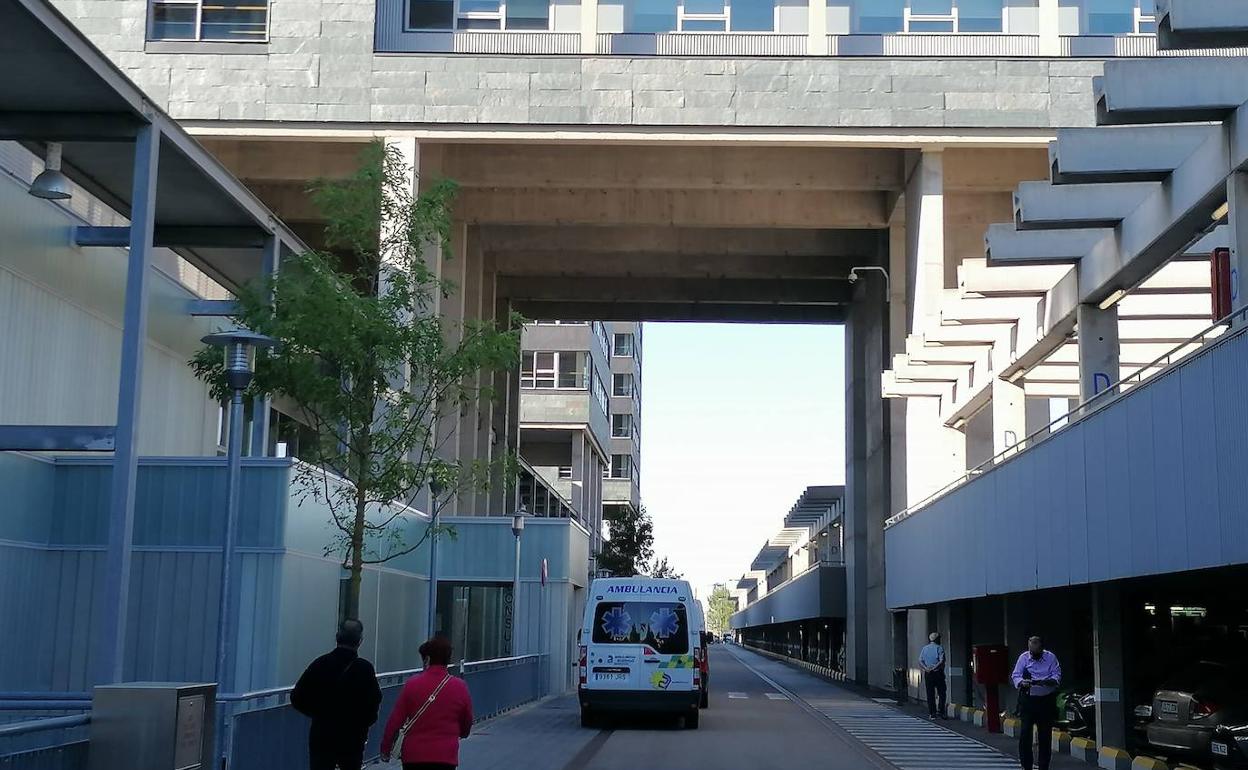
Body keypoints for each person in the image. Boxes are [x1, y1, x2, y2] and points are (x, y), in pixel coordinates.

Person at [291, 618, 383, 770]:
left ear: (337, 637)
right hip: (352, 736)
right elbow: (374, 701)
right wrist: (363, 723)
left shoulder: (320, 664)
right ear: (360, 641)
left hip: (322, 734)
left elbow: (297, 697)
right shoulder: (364, 669)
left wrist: (318, 713)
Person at [381, 636, 474, 770]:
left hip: (414, 756)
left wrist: (386, 747)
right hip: (445, 755)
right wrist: (462, 733)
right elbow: (466, 720)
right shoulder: (460, 686)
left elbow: (395, 720)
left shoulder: (412, 684)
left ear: (427, 659)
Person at [1011, 636, 1062, 770]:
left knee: (1045, 735)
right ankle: (1026, 765)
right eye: (1031, 651)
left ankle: (1044, 766)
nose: (1033, 654)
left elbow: (1057, 676)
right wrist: (1022, 682)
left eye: (1036, 651)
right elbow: (1016, 675)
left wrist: (1047, 681)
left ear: (1042, 648)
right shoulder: (1024, 658)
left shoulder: (1051, 658)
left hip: (1045, 700)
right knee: (1025, 733)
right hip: (1028, 699)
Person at [919, 632, 947, 719]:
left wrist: (926, 668)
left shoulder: (925, 648)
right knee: (942, 692)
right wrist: (934, 667)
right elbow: (941, 661)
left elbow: (920, 660)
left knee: (930, 693)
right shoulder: (939, 648)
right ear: (937, 639)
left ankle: (932, 713)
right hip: (938, 672)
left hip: (928, 673)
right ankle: (941, 712)